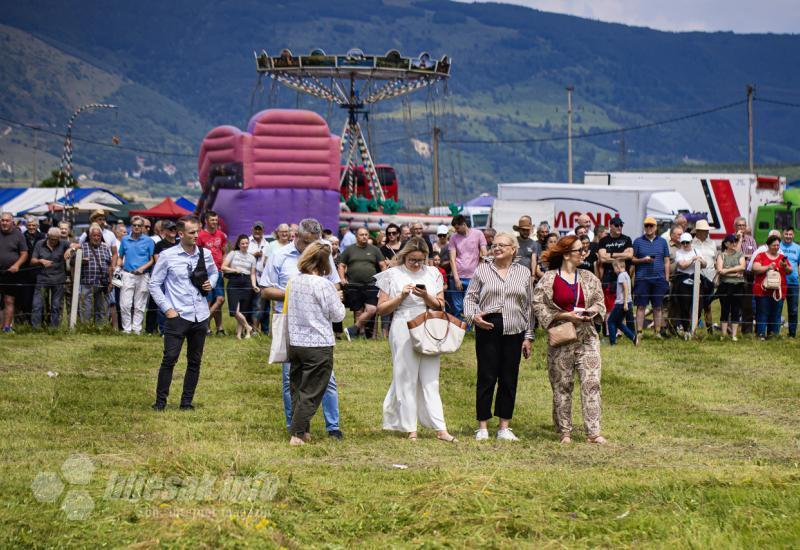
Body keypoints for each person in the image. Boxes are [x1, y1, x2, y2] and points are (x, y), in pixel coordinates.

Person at [260, 218, 344, 440]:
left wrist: (318, 293)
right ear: (296, 236)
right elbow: (266, 290)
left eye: (315, 242)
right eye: (307, 242)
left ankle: (332, 426)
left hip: (318, 322)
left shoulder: (322, 253)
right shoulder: (278, 256)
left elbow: (334, 283)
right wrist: (301, 294)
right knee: (292, 380)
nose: (310, 247)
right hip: (290, 321)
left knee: (328, 381)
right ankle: (296, 426)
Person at [374, 237, 456, 442]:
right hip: (402, 324)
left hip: (428, 324)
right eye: (413, 260)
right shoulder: (392, 275)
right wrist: (400, 297)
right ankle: (410, 427)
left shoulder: (433, 273)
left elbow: (440, 305)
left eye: (421, 260)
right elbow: (380, 309)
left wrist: (426, 296)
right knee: (405, 377)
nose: (417, 264)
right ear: (404, 256)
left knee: (431, 379)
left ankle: (440, 427)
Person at [532, 235, 607, 444]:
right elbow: (538, 305)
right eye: (579, 250)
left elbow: (600, 303)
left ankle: (593, 432)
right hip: (562, 337)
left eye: (584, 250)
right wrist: (564, 315)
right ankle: (565, 430)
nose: (583, 253)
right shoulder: (549, 279)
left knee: (591, 382)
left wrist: (589, 311)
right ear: (566, 254)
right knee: (562, 384)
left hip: (587, 337)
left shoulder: (589, 277)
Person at [464, 233, 533, 441]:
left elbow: (528, 306)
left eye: (502, 245)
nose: (497, 248)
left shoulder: (524, 272)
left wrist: (528, 336)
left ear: (514, 249)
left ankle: (504, 427)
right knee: (486, 376)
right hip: (488, 327)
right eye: (494, 245)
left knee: (509, 378)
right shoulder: (483, 270)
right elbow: (470, 297)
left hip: (515, 329)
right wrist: (473, 317)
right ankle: (482, 427)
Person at [149, 216, 218, 411]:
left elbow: (214, 272)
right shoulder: (167, 255)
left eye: (197, 231)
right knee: (169, 359)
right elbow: (154, 284)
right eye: (192, 232)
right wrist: (167, 309)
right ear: (180, 234)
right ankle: (160, 402)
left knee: (195, 361)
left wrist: (210, 284)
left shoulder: (204, 254)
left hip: (201, 314)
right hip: (178, 314)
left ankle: (186, 402)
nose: (196, 235)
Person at [286, 242, 347, 446]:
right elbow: (338, 315)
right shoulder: (324, 285)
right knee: (312, 391)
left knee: (297, 387)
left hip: (295, 342)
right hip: (318, 343)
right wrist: (338, 299)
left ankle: (302, 431)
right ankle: (296, 433)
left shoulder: (294, 281)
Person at [338, 227, 387, 339]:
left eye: (366, 234)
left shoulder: (374, 249)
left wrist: (383, 278)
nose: (364, 236)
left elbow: (383, 265)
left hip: (371, 285)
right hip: (354, 285)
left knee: (372, 309)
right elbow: (341, 265)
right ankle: (358, 334)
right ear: (356, 237)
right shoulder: (350, 250)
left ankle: (353, 329)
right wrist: (342, 278)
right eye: (362, 235)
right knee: (358, 311)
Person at [632, 217, 670, 338]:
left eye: (651, 226)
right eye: (646, 226)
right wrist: (643, 260)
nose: (648, 228)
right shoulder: (638, 241)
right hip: (642, 278)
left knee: (657, 306)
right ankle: (639, 332)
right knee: (641, 306)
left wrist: (666, 278)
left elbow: (667, 261)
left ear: (656, 227)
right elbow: (632, 259)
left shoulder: (663, 242)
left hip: (659, 279)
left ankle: (657, 332)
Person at [116, 216, 155, 335]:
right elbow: (120, 256)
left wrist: (142, 268)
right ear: (131, 226)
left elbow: (152, 259)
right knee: (125, 304)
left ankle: (137, 329)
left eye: (139, 225)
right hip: (127, 274)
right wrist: (118, 268)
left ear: (143, 227)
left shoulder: (148, 241)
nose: (137, 227)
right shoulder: (125, 240)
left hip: (143, 276)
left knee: (140, 304)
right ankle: (127, 329)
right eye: (134, 225)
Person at [752, 235, 792, 340]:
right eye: (774, 245)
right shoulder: (760, 256)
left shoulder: (782, 257)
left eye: (778, 245)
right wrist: (768, 267)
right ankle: (761, 334)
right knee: (762, 312)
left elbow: (790, 271)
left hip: (778, 291)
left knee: (776, 313)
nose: (776, 247)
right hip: (762, 291)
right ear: (768, 245)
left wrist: (785, 266)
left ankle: (774, 334)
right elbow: (755, 268)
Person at [448, 214, 487, 320]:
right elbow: (452, 259)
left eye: (457, 228)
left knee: (472, 304)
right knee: (458, 306)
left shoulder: (478, 234)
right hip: (457, 276)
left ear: (464, 224)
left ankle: (471, 327)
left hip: (473, 277)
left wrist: (480, 269)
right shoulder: (453, 237)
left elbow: (484, 253)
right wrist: (456, 279)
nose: (456, 230)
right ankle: (460, 328)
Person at [30, 227, 69, 328]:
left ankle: (54, 328)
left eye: (56, 239)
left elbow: (77, 245)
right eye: (52, 239)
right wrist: (41, 261)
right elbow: (32, 260)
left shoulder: (63, 243)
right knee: (37, 304)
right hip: (42, 279)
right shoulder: (40, 244)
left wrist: (70, 250)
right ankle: (36, 328)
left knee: (56, 305)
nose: (54, 241)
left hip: (58, 279)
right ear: (48, 237)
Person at [221, 234, 258, 339]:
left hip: (247, 282)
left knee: (243, 310)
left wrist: (254, 285)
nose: (245, 245)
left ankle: (239, 335)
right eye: (242, 243)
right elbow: (223, 267)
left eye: (246, 243)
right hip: (234, 281)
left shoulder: (252, 258)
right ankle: (248, 327)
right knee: (234, 310)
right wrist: (234, 270)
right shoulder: (233, 253)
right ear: (238, 244)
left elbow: (253, 274)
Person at [197, 211, 227, 335]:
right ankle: (207, 328)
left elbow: (224, 251)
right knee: (208, 301)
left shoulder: (221, 235)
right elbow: (197, 254)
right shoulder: (200, 236)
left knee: (219, 299)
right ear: (206, 221)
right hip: (206, 272)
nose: (215, 222)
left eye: (216, 220)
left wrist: (223, 267)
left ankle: (217, 327)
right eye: (212, 220)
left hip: (218, 271)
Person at [79, 223, 114, 326]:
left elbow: (109, 266)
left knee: (102, 307)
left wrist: (111, 282)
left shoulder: (105, 247)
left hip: (102, 283)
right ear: (90, 236)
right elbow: (73, 262)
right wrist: (81, 261)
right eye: (94, 235)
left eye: (98, 236)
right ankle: (85, 326)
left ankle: (101, 327)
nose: (96, 238)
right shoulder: (83, 247)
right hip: (87, 282)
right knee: (86, 307)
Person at [673, 233, 706, 336]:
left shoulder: (697, 251)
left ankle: (694, 328)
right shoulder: (679, 253)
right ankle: (686, 329)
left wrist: (700, 260)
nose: (686, 244)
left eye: (687, 242)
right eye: (683, 242)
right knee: (684, 305)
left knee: (699, 305)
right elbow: (682, 265)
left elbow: (704, 264)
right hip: (683, 280)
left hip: (696, 279)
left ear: (691, 242)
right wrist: (693, 259)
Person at [0, 212, 28, 333]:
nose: (4, 223)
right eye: (2, 220)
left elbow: (24, 253)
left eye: (7, 220)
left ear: (12, 222)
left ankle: (6, 327)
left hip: (11, 273)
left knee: (9, 300)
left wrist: (17, 265)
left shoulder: (18, 235)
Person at [715, 234, 746, 341]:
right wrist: (734, 272)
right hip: (725, 286)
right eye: (732, 242)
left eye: (735, 242)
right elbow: (719, 270)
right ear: (726, 243)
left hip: (738, 286)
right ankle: (723, 334)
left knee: (736, 310)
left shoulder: (740, 254)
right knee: (725, 309)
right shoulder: (721, 255)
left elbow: (742, 267)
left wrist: (727, 270)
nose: (734, 244)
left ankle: (734, 335)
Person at [691, 220, 717, 333]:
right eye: (705, 231)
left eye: (707, 231)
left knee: (708, 304)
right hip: (697, 278)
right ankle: (694, 328)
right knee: (698, 304)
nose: (707, 233)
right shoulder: (691, 244)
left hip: (710, 278)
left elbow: (715, 260)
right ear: (698, 232)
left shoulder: (712, 243)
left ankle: (709, 328)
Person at [19, 216, 45, 324]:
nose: (31, 227)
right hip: (25, 272)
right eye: (29, 225)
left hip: (39, 272)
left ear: (37, 226)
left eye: (33, 225)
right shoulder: (21, 237)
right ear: (26, 226)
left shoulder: (43, 237)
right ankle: (27, 321)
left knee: (40, 299)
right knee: (26, 298)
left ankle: (41, 321)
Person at [248, 221, 271, 335]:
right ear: (252, 229)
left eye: (260, 229)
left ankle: (264, 330)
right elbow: (241, 256)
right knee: (255, 304)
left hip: (263, 277)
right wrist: (253, 255)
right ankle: (253, 329)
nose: (257, 231)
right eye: (256, 229)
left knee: (264, 305)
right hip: (249, 276)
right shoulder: (247, 241)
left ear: (263, 231)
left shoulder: (267, 244)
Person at [735, 217, 758, 334]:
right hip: (735, 275)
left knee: (748, 304)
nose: (742, 228)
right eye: (739, 226)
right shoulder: (732, 239)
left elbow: (754, 256)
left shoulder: (751, 240)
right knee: (734, 303)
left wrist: (744, 256)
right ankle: (731, 330)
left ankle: (747, 330)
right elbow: (735, 255)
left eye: (743, 225)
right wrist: (739, 240)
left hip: (749, 275)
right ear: (735, 227)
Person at [607, 259, 637, 345]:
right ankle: (633, 337)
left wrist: (625, 303)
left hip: (621, 303)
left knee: (610, 321)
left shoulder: (621, 276)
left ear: (618, 267)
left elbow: (626, 288)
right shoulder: (626, 274)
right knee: (618, 322)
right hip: (626, 302)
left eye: (614, 268)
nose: (614, 270)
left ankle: (613, 342)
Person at [779, 227, 800, 337]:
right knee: (777, 308)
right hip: (779, 283)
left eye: (790, 234)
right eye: (786, 234)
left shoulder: (798, 248)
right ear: (783, 234)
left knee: (793, 310)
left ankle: (792, 333)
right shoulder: (778, 246)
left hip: (793, 284)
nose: (788, 236)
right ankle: (775, 332)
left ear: (793, 235)